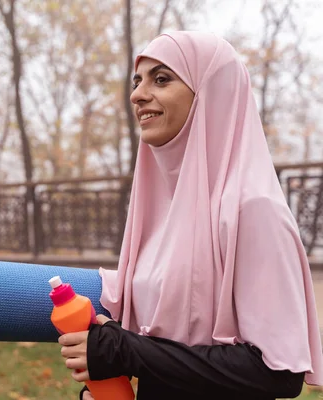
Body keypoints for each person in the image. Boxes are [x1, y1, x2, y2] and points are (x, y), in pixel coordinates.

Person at [58, 31, 323, 400]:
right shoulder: (159, 212)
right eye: (138, 81)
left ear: (211, 93)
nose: (137, 94)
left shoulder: (253, 210)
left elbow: (277, 374)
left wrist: (127, 351)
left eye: (161, 79)